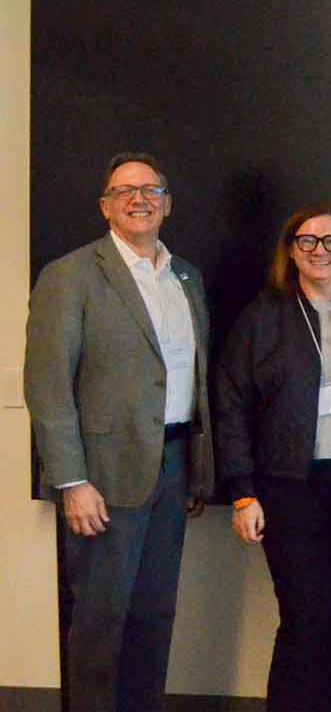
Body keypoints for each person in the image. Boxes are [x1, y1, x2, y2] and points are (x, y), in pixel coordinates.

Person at [24, 152, 215, 712]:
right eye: (125, 191)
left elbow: (193, 376)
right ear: (106, 205)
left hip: (174, 466)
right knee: (101, 620)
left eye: (150, 190)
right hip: (102, 479)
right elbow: (48, 386)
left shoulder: (186, 277)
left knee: (155, 615)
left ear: (167, 204)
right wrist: (71, 480)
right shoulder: (70, 275)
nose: (139, 199)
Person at [214, 202, 331, 711]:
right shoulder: (262, 318)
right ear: (291, 250)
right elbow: (230, 407)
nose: (320, 251)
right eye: (307, 241)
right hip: (288, 487)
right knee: (308, 613)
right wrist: (242, 491)